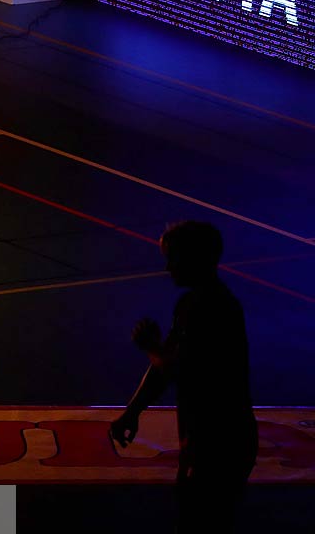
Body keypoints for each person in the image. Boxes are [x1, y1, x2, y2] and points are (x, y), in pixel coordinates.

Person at [110, 220, 256, 533]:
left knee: (203, 516)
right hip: (208, 437)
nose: (167, 268)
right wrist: (133, 410)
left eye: (173, 258)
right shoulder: (192, 304)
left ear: (195, 259)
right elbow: (167, 364)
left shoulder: (212, 308)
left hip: (219, 440)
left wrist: (150, 347)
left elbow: (179, 368)